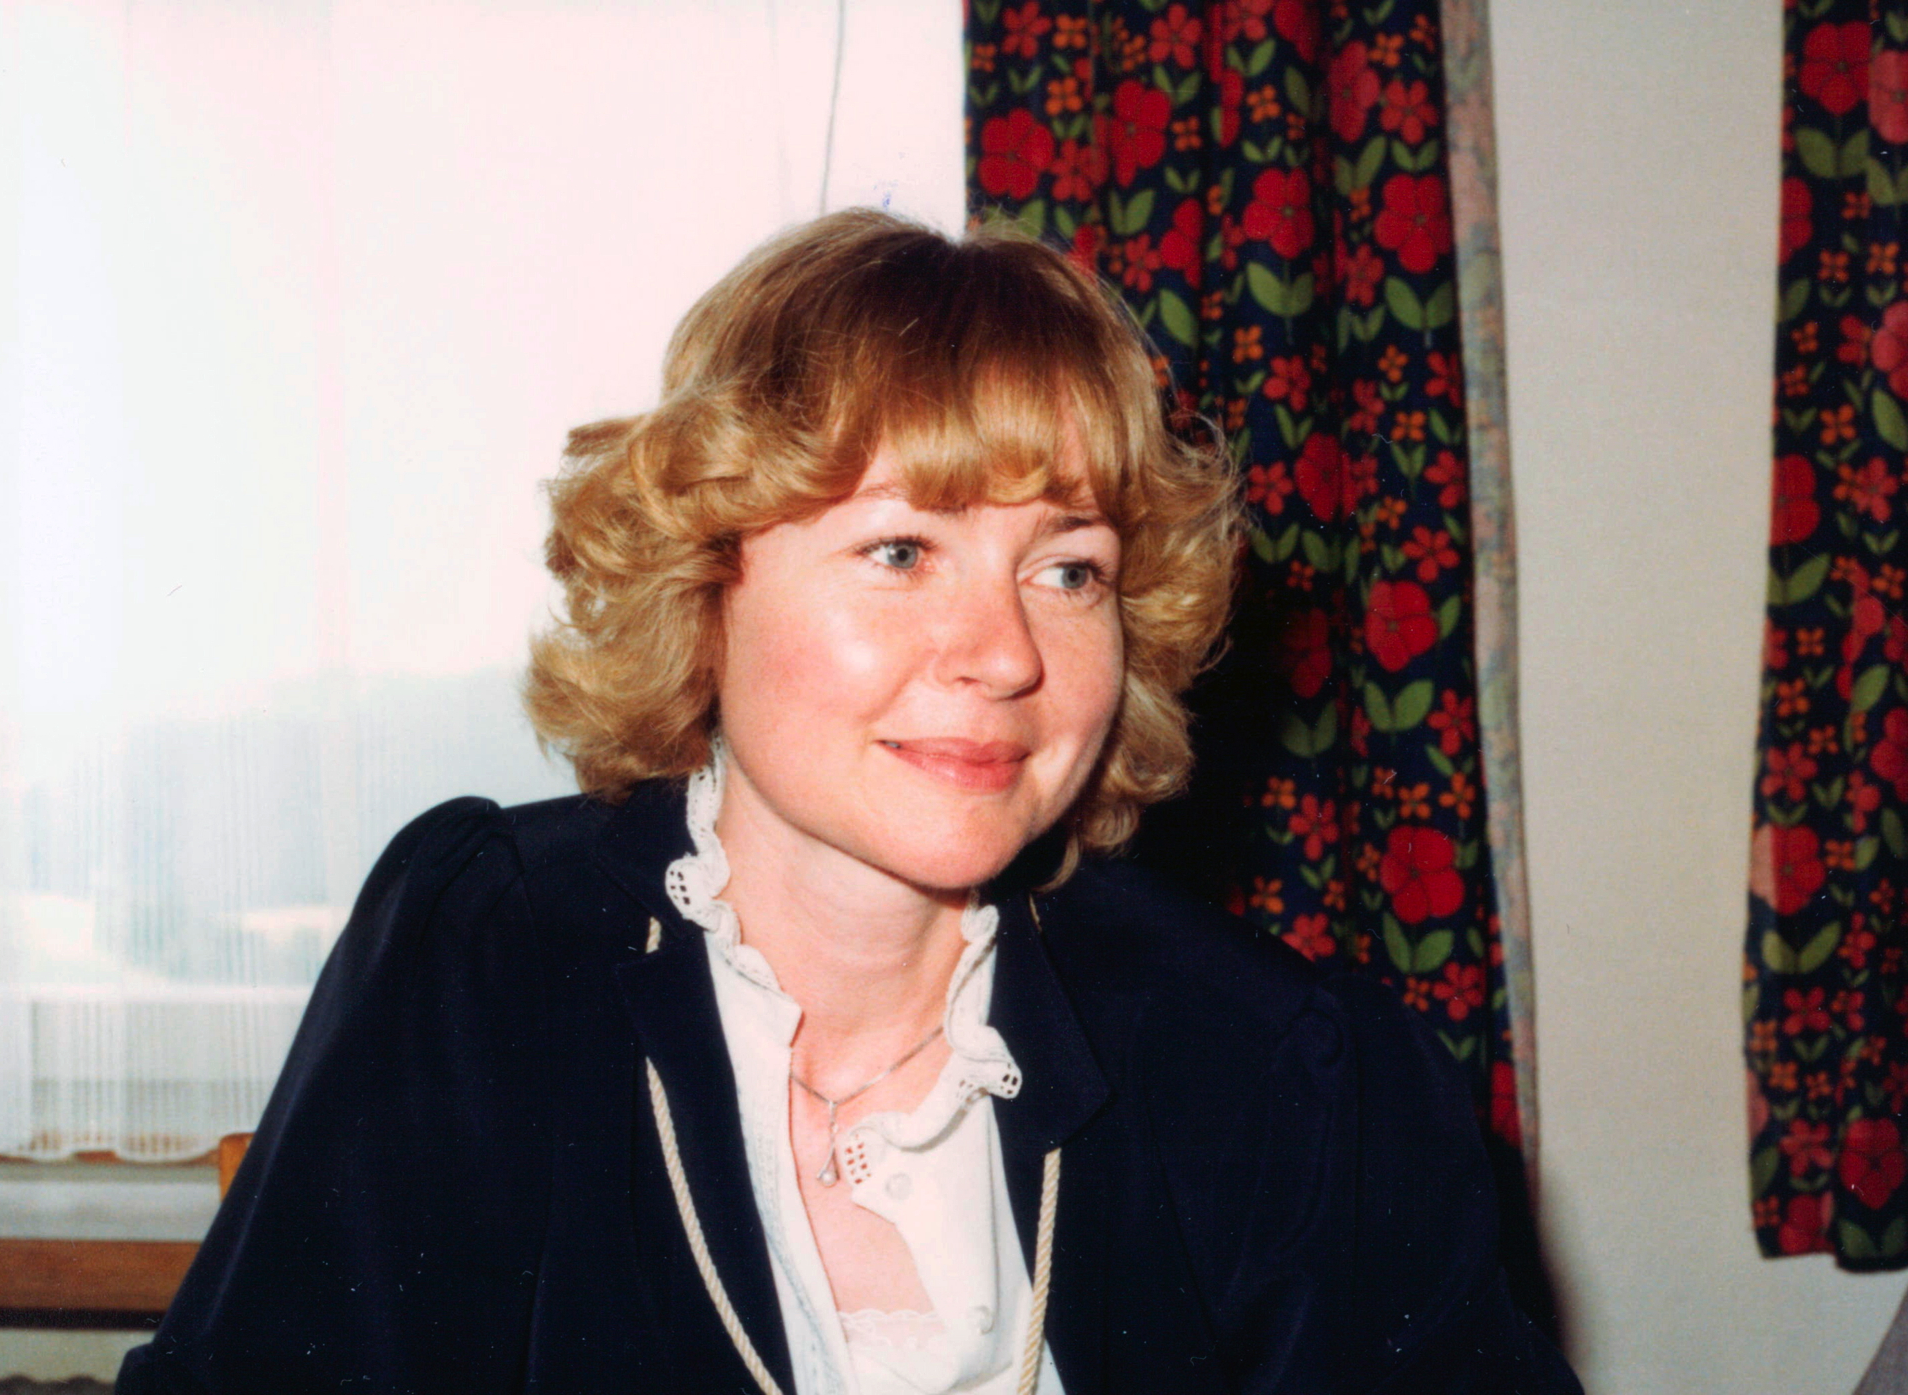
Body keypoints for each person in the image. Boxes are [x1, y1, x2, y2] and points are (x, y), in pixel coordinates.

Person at [117, 210, 1579, 1394]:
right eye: (901, 552)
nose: (1005, 654)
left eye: (1069, 569)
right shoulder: (488, 957)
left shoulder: (1291, 1070)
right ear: (705, 582)